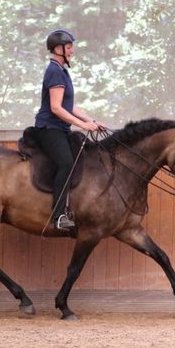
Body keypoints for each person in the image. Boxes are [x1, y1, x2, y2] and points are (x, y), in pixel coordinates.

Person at [34, 28, 105, 230]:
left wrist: (92, 120)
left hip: (60, 128)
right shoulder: (55, 71)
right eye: (69, 47)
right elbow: (56, 108)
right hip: (49, 128)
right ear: (58, 49)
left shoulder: (62, 71)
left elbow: (69, 106)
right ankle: (58, 216)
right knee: (66, 163)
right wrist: (83, 125)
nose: (72, 51)